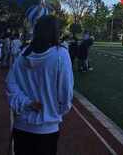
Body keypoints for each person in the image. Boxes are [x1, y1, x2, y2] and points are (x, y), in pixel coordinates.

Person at [6, 15, 73, 155]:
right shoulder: (61, 54)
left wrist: (27, 103)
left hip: (21, 126)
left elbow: (10, 83)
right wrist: (56, 111)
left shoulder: (24, 54)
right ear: (55, 32)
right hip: (47, 128)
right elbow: (66, 92)